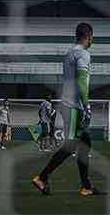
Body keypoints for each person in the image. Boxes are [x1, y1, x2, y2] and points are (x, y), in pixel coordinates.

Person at [32, 22, 105, 197]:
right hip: (74, 107)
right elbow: (81, 81)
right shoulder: (83, 54)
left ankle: (86, 186)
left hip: (69, 105)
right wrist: (86, 106)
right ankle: (42, 178)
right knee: (72, 145)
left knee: (85, 145)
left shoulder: (70, 52)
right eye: (92, 37)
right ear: (89, 37)